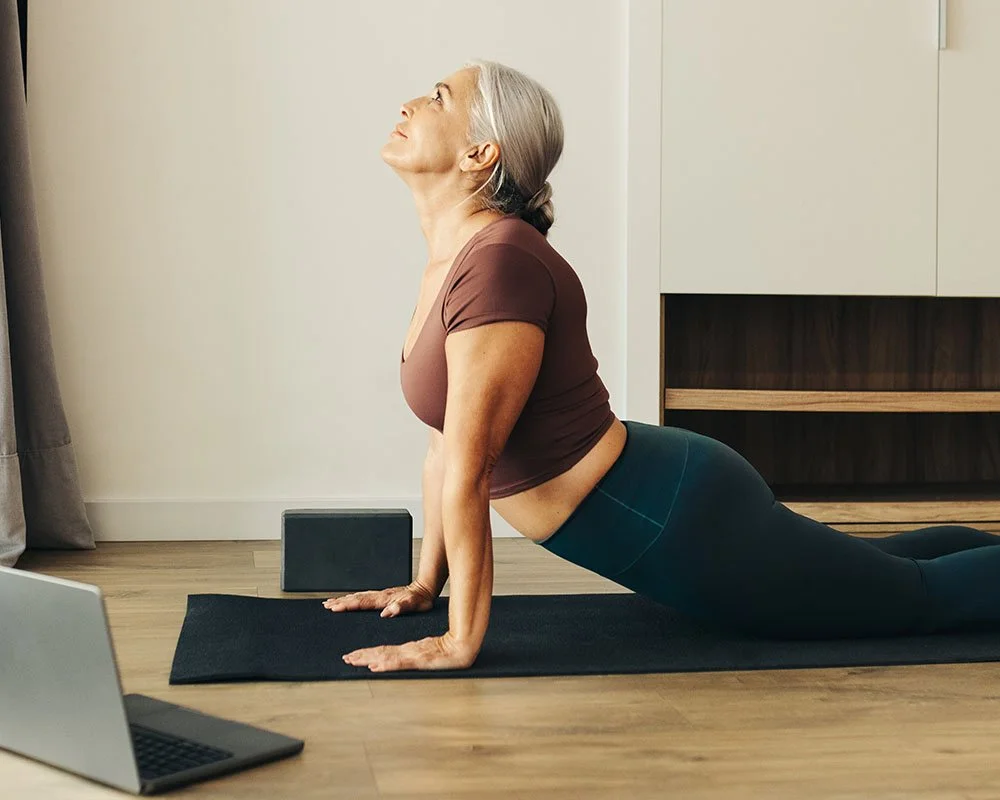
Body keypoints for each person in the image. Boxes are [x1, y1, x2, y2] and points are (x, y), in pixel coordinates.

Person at [323, 59, 1000, 673]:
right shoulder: (456, 261)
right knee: (880, 569)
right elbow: (443, 447)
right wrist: (423, 584)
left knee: (915, 601)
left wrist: (459, 640)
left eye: (439, 97)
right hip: (668, 498)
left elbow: (471, 468)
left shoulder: (500, 265)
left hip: (682, 519)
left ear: (480, 153)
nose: (411, 102)